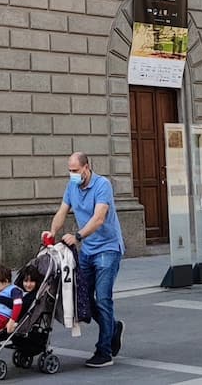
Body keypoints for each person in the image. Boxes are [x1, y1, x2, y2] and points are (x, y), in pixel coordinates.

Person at [45, 151, 125, 368]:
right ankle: (113, 328)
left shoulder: (102, 185)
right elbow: (62, 211)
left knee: (103, 299)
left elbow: (99, 218)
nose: (72, 175)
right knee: (85, 299)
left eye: (75, 171)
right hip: (88, 251)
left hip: (108, 248)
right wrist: (51, 232)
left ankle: (104, 351)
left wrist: (78, 236)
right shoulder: (72, 186)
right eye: (69, 171)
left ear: (86, 167)